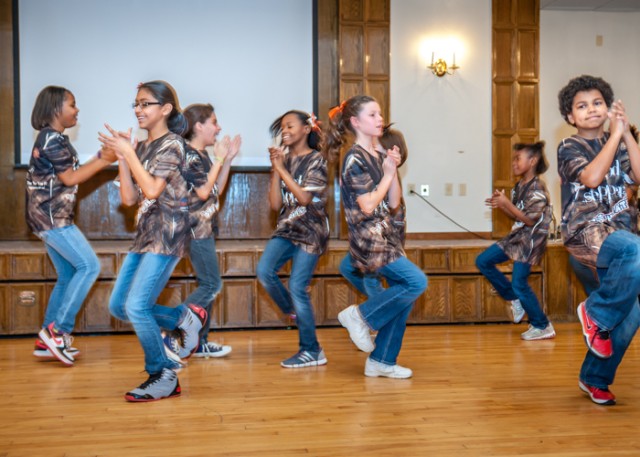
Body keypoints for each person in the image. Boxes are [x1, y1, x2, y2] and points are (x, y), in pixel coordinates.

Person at [99, 81, 207, 402]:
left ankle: (162, 374)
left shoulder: (173, 144)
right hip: (144, 236)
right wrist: (123, 156)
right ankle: (183, 319)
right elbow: (131, 197)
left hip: (168, 234)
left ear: (165, 109)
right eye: (136, 104)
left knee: (137, 305)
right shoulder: (142, 147)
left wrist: (129, 152)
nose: (138, 110)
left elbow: (153, 190)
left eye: (145, 104)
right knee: (119, 306)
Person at [326, 95, 427, 379]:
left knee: (403, 299)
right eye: (372, 115)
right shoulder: (354, 158)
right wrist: (385, 176)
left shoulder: (376, 155)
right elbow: (368, 205)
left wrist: (391, 169)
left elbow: (393, 202)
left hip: (387, 237)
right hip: (369, 240)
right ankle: (360, 316)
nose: (380, 119)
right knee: (417, 281)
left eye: (380, 114)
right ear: (356, 122)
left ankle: (382, 359)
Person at [557, 75, 640, 406]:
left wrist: (627, 133)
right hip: (585, 236)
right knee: (635, 250)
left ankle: (595, 377)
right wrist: (616, 136)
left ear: (608, 109)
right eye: (581, 106)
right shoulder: (569, 147)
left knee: (632, 315)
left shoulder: (619, 141)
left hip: (619, 240)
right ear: (570, 117)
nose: (591, 109)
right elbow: (591, 177)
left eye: (597, 103)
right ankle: (596, 313)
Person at [27, 85, 117, 365]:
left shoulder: (52, 138)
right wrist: (104, 160)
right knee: (90, 266)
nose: (77, 110)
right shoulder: (53, 138)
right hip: (53, 218)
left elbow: (69, 172)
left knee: (67, 274)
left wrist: (100, 156)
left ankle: (45, 341)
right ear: (56, 109)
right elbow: (70, 179)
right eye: (72, 104)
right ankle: (58, 331)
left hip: (46, 217)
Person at [163, 103, 240, 359]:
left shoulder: (202, 155)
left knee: (208, 284)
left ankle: (197, 341)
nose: (218, 128)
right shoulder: (190, 155)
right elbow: (203, 192)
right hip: (195, 230)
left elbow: (215, 188)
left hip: (204, 227)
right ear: (198, 126)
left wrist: (225, 161)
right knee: (211, 284)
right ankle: (178, 330)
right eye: (214, 122)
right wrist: (219, 158)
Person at [256, 110, 330, 368]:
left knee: (298, 286)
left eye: (290, 126)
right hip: (287, 228)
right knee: (264, 271)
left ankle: (312, 350)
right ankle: (293, 310)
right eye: (282, 128)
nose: (284, 131)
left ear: (306, 129)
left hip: (311, 231)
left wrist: (281, 169)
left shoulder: (316, 160)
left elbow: (304, 199)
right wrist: (276, 170)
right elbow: (276, 205)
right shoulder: (284, 161)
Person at [476, 142, 554, 340]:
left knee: (519, 282)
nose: (513, 163)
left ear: (532, 161)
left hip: (530, 242)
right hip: (517, 237)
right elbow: (518, 218)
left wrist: (506, 204)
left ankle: (542, 325)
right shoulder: (518, 187)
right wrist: (503, 206)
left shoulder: (538, 188)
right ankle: (513, 298)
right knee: (483, 261)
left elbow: (529, 220)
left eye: (518, 158)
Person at [338, 124, 408, 298]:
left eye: (375, 144)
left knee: (372, 279)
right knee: (348, 267)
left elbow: (394, 209)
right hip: (371, 238)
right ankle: (385, 301)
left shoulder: (389, 176)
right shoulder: (370, 171)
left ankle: (381, 307)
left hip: (384, 241)